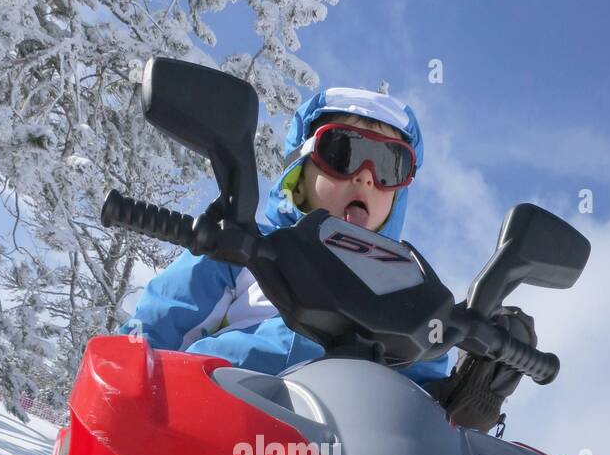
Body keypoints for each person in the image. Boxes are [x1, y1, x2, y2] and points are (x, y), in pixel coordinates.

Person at [117, 85, 534, 433]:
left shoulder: (410, 298)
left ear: (398, 193)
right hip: (210, 430)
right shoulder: (244, 247)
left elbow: (419, 414)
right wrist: (123, 396)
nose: (366, 176)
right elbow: (155, 330)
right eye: (343, 151)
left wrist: (467, 397)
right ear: (300, 169)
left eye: (390, 165)